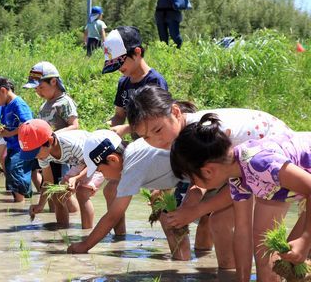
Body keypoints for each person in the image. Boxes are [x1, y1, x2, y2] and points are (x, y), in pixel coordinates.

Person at [126, 84, 295, 273]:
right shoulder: (184, 136)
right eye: (146, 137)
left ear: (175, 112)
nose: (156, 141)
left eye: (157, 130)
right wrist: (188, 206)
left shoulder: (204, 132)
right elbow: (203, 180)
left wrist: (195, 209)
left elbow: (235, 183)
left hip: (278, 160)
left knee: (263, 239)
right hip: (247, 168)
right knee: (219, 222)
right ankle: (229, 276)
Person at [170, 114, 311, 282]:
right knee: (276, 254)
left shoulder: (260, 163)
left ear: (208, 171)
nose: (194, 184)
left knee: (295, 265)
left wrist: (304, 240)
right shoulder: (238, 175)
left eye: (193, 179)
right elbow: (242, 231)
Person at [68, 130, 193, 260]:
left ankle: (182, 265)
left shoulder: (131, 168)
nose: (103, 176)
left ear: (113, 159)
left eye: (101, 170)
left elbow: (113, 215)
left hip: (192, 177)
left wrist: (85, 246)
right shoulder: (134, 151)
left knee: (172, 221)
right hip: (188, 174)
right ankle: (182, 262)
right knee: (169, 216)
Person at [18, 119, 115, 231]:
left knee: (82, 192)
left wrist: (77, 178)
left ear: (49, 141)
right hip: (81, 162)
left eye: (35, 152)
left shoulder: (71, 144)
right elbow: (48, 182)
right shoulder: (43, 155)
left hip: (99, 158)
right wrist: (41, 204)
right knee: (58, 195)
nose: (34, 156)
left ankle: (86, 233)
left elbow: (93, 162)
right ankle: (63, 230)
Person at [23, 61, 80, 193]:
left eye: (41, 87)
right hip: (48, 155)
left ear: (53, 82)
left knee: (63, 192)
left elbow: (74, 125)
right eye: (35, 89)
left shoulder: (65, 102)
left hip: (63, 155)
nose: (38, 91)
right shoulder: (44, 106)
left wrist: (53, 136)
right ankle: (52, 213)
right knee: (49, 189)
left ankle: (72, 214)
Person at [102, 26, 168, 137]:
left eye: (120, 63)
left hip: (157, 142)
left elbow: (159, 118)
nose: (118, 68)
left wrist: (127, 128)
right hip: (138, 143)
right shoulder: (123, 82)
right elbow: (119, 116)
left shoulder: (154, 81)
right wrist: (105, 128)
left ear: (137, 53)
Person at [0, 75, 34, 202]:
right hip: (12, 147)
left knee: (15, 171)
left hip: (23, 147)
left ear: (3, 91)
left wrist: (9, 134)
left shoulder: (18, 104)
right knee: (11, 172)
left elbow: (28, 126)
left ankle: (22, 204)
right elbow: (3, 125)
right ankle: (21, 203)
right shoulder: (3, 105)